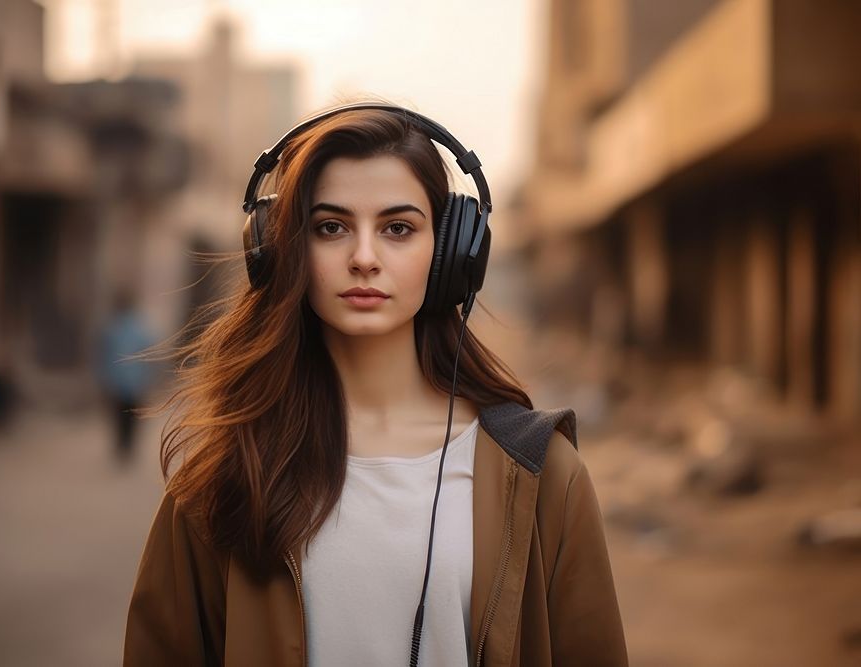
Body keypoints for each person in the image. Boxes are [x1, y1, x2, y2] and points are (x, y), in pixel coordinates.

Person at [123, 103, 628, 666]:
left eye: (398, 228)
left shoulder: (543, 475)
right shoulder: (226, 474)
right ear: (283, 250)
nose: (364, 258)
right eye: (331, 227)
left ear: (451, 255)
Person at [98, 290, 157, 462]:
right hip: (134, 382)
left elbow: (103, 355)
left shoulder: (111, 328)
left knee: (119, 416)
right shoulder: (139, 328)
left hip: (117, 381)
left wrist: (103, 378)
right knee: (130, 417)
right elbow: (149, 355)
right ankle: (127, 446)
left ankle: (122, 446)